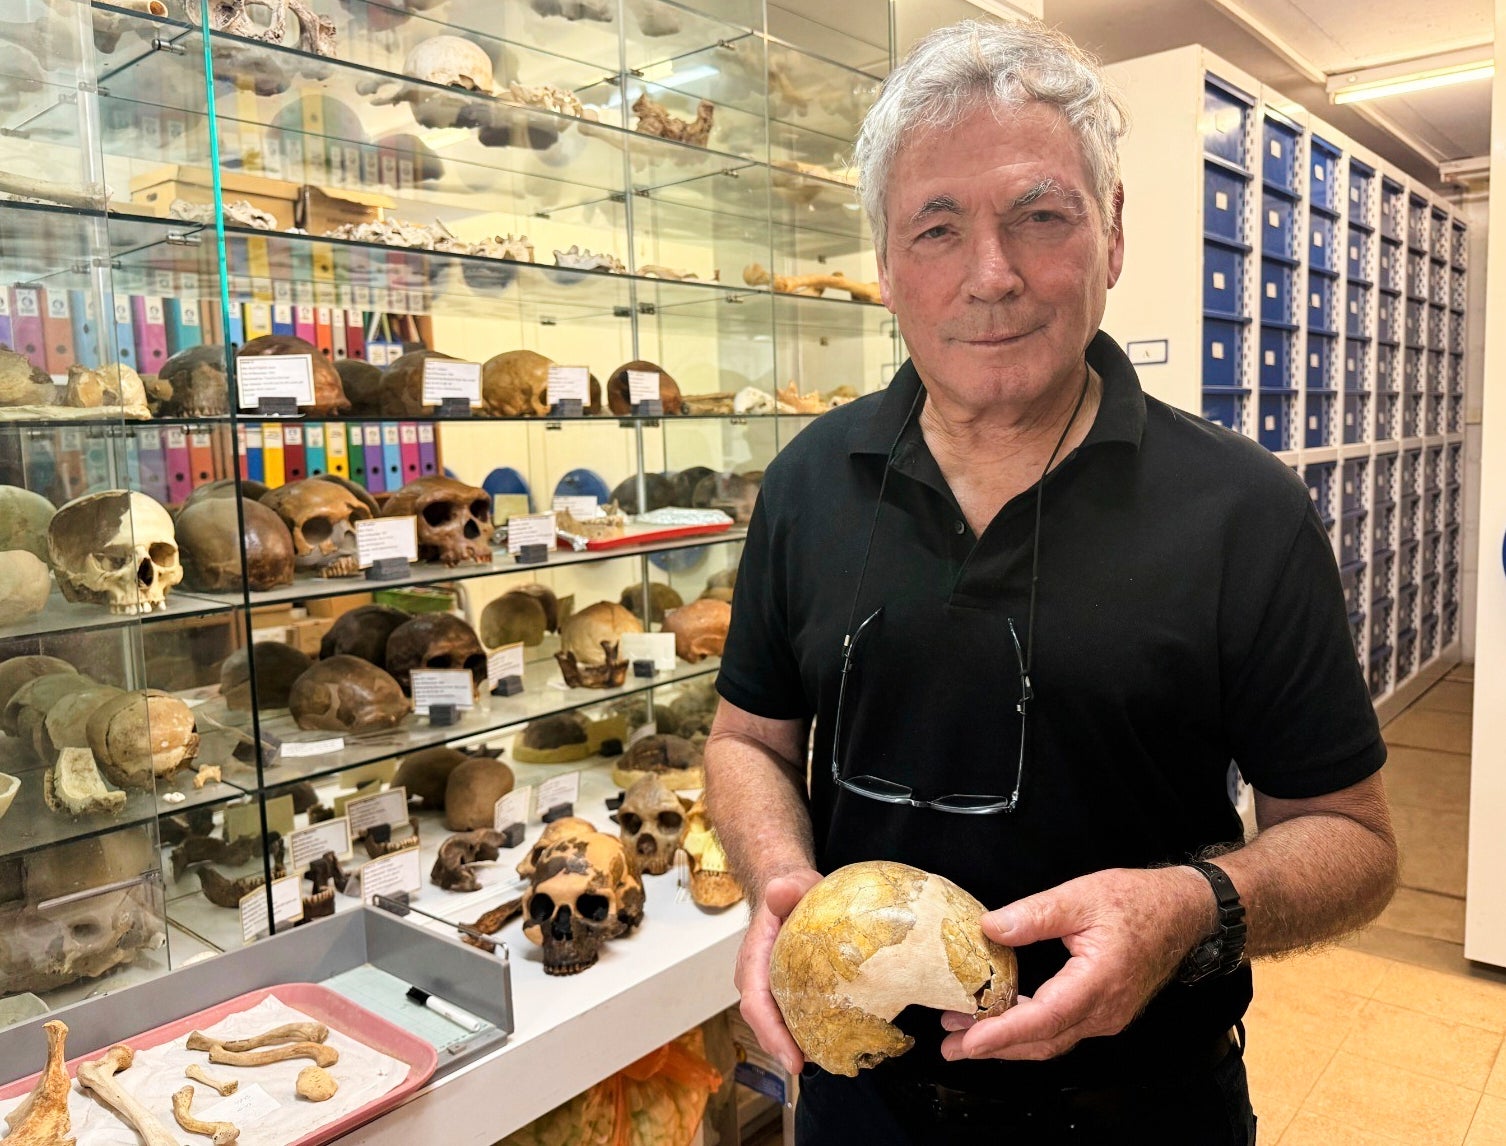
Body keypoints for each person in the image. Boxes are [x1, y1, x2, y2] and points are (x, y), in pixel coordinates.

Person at [704, 17, 1399, 1146]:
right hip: (857, 1107)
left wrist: (1190, 910)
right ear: (884, 265)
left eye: (1041, 216)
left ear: (1112, 234)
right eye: (937, 228)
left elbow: (1353, 839)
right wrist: (781, 880)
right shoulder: (807, 482)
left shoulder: (1243, 510)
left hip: (1141, 1115)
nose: (992, 277)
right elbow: (750, 741)